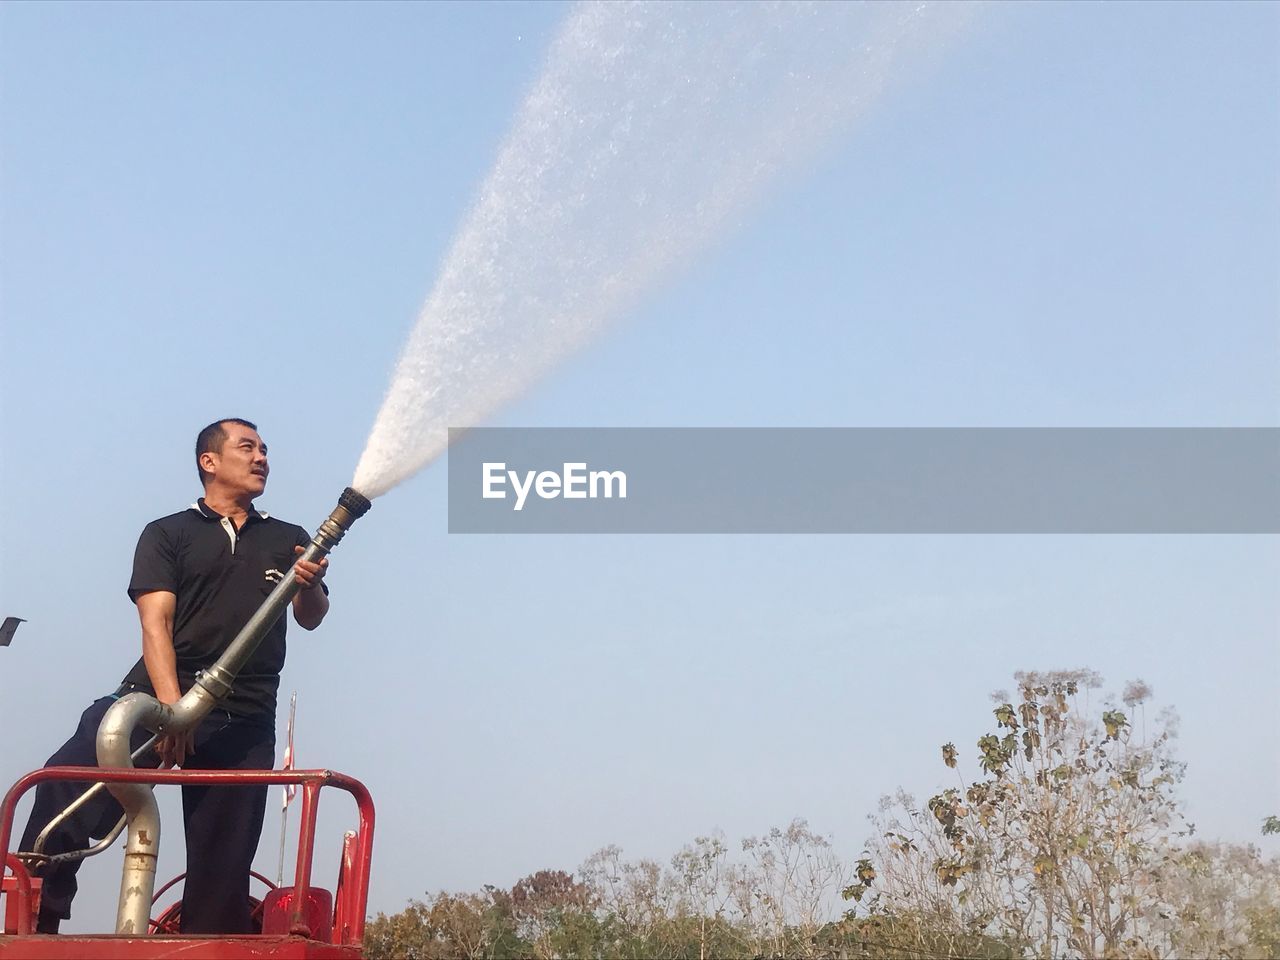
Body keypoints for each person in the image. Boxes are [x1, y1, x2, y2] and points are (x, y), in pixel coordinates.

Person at [18, 418, 330, 935]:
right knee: (65, 785)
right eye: (247, 448)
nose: (262, 459)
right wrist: (172, 711)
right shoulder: (169, 533)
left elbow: (311, 616)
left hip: (242, 716)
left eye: (265, 450)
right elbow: (155, 622)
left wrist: (309, 585)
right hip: (154, 696)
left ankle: (207, 939)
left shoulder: (289, 539)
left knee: (223, 863)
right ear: (209, 461)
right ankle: (34, 916)